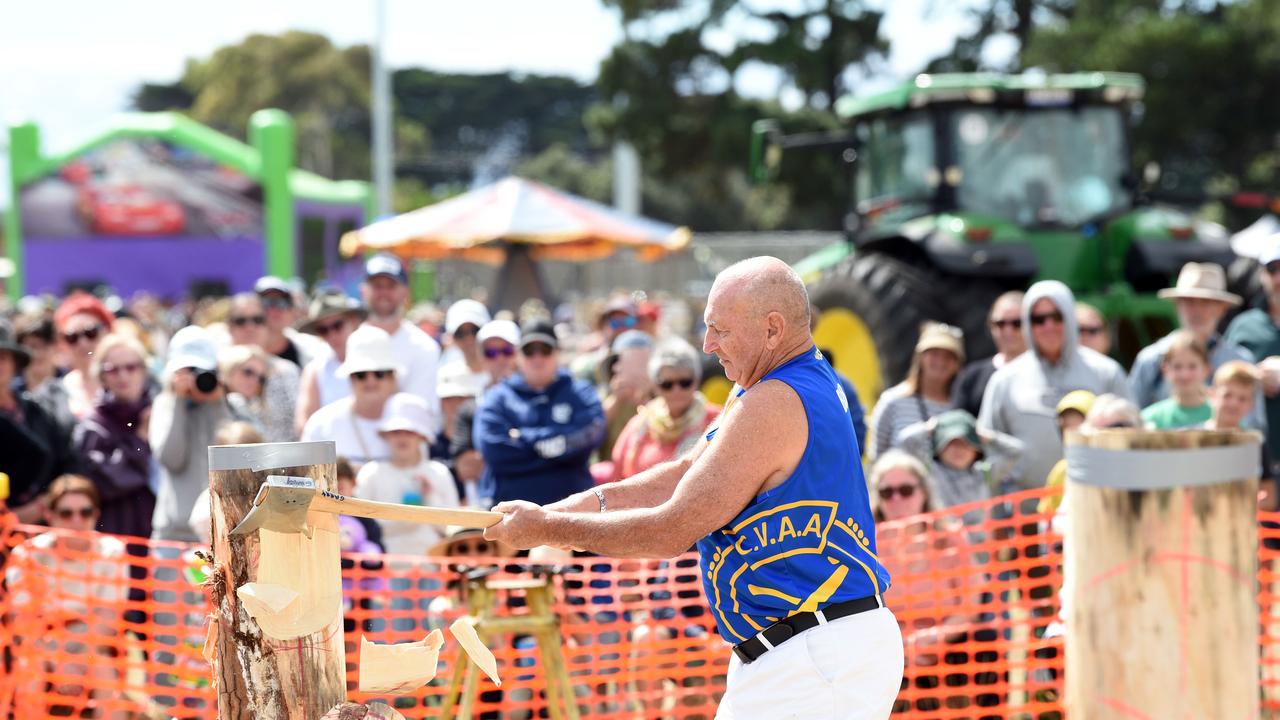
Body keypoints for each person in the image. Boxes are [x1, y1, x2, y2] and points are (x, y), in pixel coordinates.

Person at [482, 257, 902, 719]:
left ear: (772, 328)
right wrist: (575, 507)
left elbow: (671, 530)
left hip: (815, 652)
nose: (708, 344)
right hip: (808, 649)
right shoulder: (777, 385)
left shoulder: (774, 400)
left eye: (720, 329)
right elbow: (685, 470)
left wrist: (550, 530)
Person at [978, 281, 1131, 490]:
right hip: (1022, 510)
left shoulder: (1106, 372)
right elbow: (988, 445)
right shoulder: (1004, 380)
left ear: (1069, 318)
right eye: (1039, 319)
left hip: (1091, 502)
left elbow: (1132, 435)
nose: (1049, 326)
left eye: (1057, 317)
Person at [3, 475, 133, 719]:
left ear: (96, 514)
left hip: (92, 643)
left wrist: (76, 658)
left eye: (85, 512)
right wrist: (58, 659)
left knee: (103, 672)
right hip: (43, 643)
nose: (76, 521)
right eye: (66, 513)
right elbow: (24, 622)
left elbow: (108, 620)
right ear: (49, 515)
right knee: (31, 671)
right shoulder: (27, 555)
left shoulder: (112, 551)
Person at [474, 318, 607, 508]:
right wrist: (560, 449)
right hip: (509, 517)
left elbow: (590, 436)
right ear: (518, 356)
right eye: (530, 351)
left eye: (545, 350)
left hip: (572, 516)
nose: (538, 358)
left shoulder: (580, 393)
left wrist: (522, 437)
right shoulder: (497, 397)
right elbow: (494, 451)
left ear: (558, 353)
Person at [1129, 262, 1260, 425]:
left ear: (1222, 309)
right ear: (1177, 306)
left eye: (1206, 302)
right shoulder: (1151, 359)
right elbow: (1133, 417)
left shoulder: (1241, 361)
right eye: (1189, 301)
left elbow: (1253, 423)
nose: (1197, 310)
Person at [598, 338, 721, 483]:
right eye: (667, 384)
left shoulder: (717, 420)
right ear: (655, 385)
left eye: (685, 382)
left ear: (696, 381)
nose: (677, 390)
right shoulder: (640, 425)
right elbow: (617, 475)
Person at [150, 325, 231, 542]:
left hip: (221, 531)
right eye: (187, 370)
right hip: (174, 534)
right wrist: (178, 402)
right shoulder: (164, 404)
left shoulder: (227, 404)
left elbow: (234, 455)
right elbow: (171, 459)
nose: (195, 377)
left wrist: (217, 403)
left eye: (200, 370)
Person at [74, 333, 156, 538]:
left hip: (162, 537)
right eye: (113, 370)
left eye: (130, 367)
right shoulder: (94, 425)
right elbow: (109, 481)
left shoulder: (160, 412)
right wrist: (139, 439)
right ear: (101, 376)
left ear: (143, 370)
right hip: (115, 539)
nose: (123, 376)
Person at [354, 394, 459, 555]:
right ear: (386, 435)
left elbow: (452, 528)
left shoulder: (438, 472)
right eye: (396, 432)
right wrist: (407, 520)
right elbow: (361, 527)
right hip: (386, 567)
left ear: (422, 436)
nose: (402, 438)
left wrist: (429, 498)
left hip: (432, 566)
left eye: (410, 432)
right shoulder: (371, 473)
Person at [0, 319, 79, 523]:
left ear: (14, 363)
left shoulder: (36, 409)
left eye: (2, 357)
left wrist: (46, 503)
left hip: (45, 528)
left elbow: (65, 461)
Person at [360, 253, 443, 438]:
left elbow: (419, 411)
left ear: (405, 291)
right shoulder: (350, 340)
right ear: (363, 290)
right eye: (377, 285)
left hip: (404, 458)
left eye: (391, 285)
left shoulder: (424, 347)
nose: (383, 292)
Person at [302, 325, 406, 466]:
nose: (371, 380)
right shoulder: (322, 425)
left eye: (379, 373)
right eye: (361, 374)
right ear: (350, 378)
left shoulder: (410, 421)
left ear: (392, 377)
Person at [869, 322, 964, 461]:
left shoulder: (960, 406)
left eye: (949, 356)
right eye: (934, 354)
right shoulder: (893, 401)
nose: (940, 361)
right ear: (920, 357)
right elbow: (876, 457)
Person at [896, 409, 1024, 510]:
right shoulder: (931, 472)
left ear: (976, 449)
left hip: (978, 542)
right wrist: (930, 427)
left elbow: (1017, 451)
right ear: (938, 449)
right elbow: (903, 442)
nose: (958, 450)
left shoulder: (984, 474)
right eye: (950, 443)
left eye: (966, 443)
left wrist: (986, 436)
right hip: (943, 540)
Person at [1225, 238, 1280, 469]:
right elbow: (1220, 379)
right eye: (1273, 269)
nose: (1279, 278)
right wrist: (1253, 377)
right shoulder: (1243, 325)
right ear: (1261, 275)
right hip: (1254, 461)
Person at [224, 292, 301, 442]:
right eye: (241, 321)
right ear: (230, 327)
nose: (250, 327)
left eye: (257, 320)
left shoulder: (286, 372)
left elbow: (297, 427)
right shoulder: (214, 369)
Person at [296, 288, 367, 431]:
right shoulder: (315, 370)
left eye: (337, 325)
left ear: (353, 320)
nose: (332, 334)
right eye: (323, 329)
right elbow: (304, 424)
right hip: (334, 450)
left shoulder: (377, 361)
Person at [951, 292, 1026, 418]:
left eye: (1017, 323)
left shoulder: (1044, 372)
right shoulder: (972, 376)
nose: (1008, 331)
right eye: (1000, 324)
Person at [54, 292, 115, 419]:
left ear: (108, 332)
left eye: (91, 333)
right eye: (72, 337)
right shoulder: (54, 394)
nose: (83, 343)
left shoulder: (129, 381)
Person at [599, 329, 656, 459]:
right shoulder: (605, 395)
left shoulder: (662, 391)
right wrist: (616, 399)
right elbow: (592, 430)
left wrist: (646, 401)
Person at [1038, 390, 1097, 515]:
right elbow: (1046, 515)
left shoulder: (1113, 470)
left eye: (1081, 430)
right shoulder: (1062, 471)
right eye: (1067, 430)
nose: (1074, 438)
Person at [1140, 331, 1212, 429]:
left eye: (1192, 366)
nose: (1185, 375)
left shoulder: (1223, 414)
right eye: (1177, 367)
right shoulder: (1149, 418)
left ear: (1206, 369)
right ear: (1165, 370)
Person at [14, 314, 74, 430]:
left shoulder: (71, 385)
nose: (37, 354)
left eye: (43, 346)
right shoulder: (10, 392)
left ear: (56, 346)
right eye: (30, 347)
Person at [253, 276, 323, 368]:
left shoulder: (314, 348)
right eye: (266, 302)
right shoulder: (235, 349)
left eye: (282, 302)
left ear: (292, 310)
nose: (274, 309)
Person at [219, 344, 283, 439]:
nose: (255, 381)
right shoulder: (208, 404)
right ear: (229, 368)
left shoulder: (257, 411)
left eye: (261, 378)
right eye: (248, 372)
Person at [439, 298, 492, 389]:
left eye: (475, 330)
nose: (469, 338)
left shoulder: (505, 373)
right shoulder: (444, 378)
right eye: (460, 333)